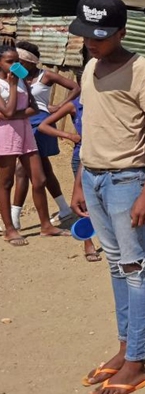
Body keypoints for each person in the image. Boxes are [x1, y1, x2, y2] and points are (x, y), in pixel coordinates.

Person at [69, 0, 145, 394]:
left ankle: (137, 361)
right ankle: (125, 346)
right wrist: (78, 179)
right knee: (115, 266)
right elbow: (90, 124)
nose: (92, 42)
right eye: (87, 35)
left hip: (127, 181)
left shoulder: (142, 71)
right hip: (92, 177)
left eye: (101, 37)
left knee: (135, 266)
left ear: (122, 32)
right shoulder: (89, 66)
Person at [0, 46, 70, 246]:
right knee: (5, 183)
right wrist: (12, 88)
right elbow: (8, 109)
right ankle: (10, 229)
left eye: (17, 61)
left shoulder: (21, 79)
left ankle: (46, 225)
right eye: (9, 61)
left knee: (39, 179)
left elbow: (33, 107)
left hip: (25, 132)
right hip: (5, 135)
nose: (15, 65)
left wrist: (15, 115)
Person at [11, 41, 81, 230]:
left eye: (21, 60)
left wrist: (59, 107)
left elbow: (76, 87)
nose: (17, 64)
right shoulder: (18, 76)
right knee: (44, 169)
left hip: (40, 124)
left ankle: (14, 218)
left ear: (30, 62)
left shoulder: (46, 75)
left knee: (21, 170)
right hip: (24, 122)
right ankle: (64, 208)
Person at [37, 93, 102, 261]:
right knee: (84, 201)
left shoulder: (106, 101)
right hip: (80, 156)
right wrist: (69, 136)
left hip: (105, 155)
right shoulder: (74, 106)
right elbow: (44, 126)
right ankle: (88, 242)